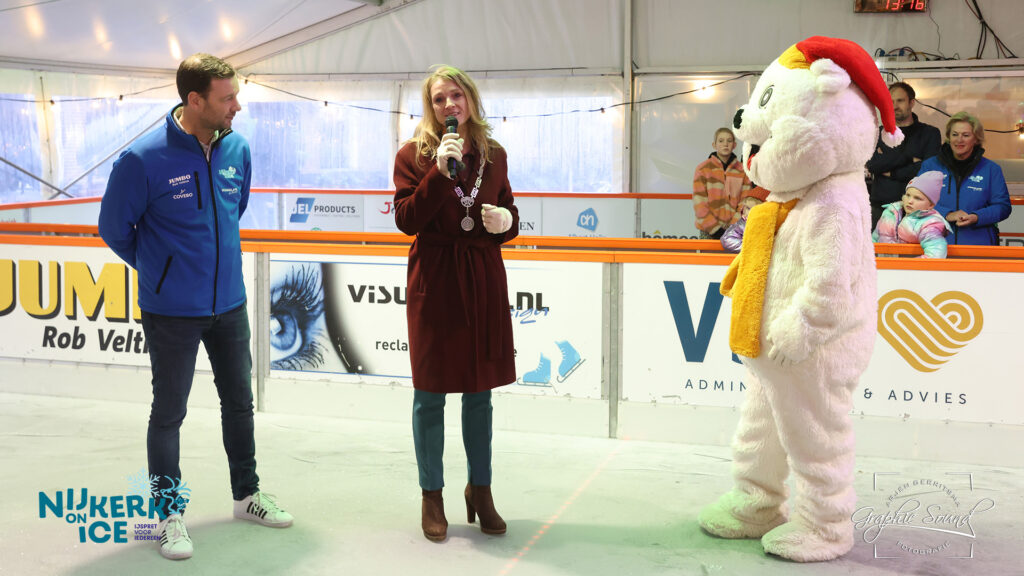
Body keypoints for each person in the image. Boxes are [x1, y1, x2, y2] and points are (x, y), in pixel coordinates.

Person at [98, 53, 292, 561]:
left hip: (229, 303)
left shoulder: (238, 148)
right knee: (169, 413)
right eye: (227, 98)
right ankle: (168, 516)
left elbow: (234, 208)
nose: (237, 107)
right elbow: (114, 229)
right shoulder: (142, 159)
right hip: (170, 311)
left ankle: (246, 495)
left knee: (240, 403)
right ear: (195, 100)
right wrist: (162, 271)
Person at [392, 65, 519, 543]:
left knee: (479, 392)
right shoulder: (413, 155)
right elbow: (406, 218)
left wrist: (506, 221)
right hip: (436, 277)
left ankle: (480, 489)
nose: (449, 105)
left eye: (456, 95)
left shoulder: (494, 154)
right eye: (439, 98)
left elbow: (510, 212)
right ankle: (432, 495)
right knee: (430, 393)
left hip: (482, 276)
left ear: (471, 99)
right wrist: (438, 175)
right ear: (431, 107)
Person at [919, 111, 1011, 245]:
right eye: (955, 134)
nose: (959, 140)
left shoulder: (991, 169)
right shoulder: (930, 166)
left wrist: (977, 217)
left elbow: (1002, 207)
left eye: (966, 135)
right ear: (948, 137)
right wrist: (947, 214)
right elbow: (916, 202)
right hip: (936, 246)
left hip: (979, 246)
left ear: (976, 139)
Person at [865, 82, 941, 228]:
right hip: (881, 209)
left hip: (917, 212)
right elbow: (873, 165)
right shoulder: (877, 133)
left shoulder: (930, 134)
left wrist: (891, 171)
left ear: (911, 103)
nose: (894, 106)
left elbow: (927, 171)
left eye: (900, 101)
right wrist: (908, 158)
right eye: (891, 102)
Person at [872, 171, 952, 258]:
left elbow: (935, 256)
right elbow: (874, 240)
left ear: (931, 205)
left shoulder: (930, 224)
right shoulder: (890, 212)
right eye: (908, 195)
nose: (910, 201)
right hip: (880, 265)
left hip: (905, 266)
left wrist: (905, 265)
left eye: (917, 198)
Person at [692, 127, 752, 239]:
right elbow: (700, 204)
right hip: (708, 231)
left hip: (735, 231)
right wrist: (716, 230)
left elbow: (745, 202)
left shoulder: (742, 171)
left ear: (734, 145)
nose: (725, 144)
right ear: (714, 145)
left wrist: (732, 227)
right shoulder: (703, 169)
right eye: (721, 141)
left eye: (729, 141)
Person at [719, 185, 770, 253]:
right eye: (748, 208)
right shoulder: (743, 224)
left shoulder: (770, 225)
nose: (749, 213)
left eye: (755, 210)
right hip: (749, 255)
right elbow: (727, 239)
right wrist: (750, 248)